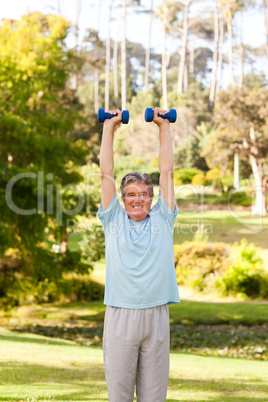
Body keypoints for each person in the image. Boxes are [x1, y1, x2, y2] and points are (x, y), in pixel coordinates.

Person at [97, 107, 180, 402]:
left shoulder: (163, 218)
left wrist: (163, 127)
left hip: (156, 313)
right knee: (119, 395)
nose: (137, 199)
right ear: (122, 199)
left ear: (152, 198)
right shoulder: (113, 219)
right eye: (131, 194)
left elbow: (167, 171)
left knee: (154, 397)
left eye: (143, 193)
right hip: (121, 313)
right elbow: (106, 172)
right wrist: (109, 127)